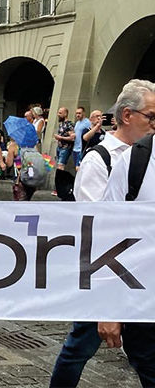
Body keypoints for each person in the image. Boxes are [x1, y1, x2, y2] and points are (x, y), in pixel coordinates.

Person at [50, 79, 155, 387]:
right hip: (105, 271)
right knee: (80, 346)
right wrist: (108, 303)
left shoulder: (146, 154)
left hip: (140, 275)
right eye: (150, 116)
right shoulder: (104, 157)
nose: (154, 123)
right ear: (127, 115)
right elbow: (97, 226)